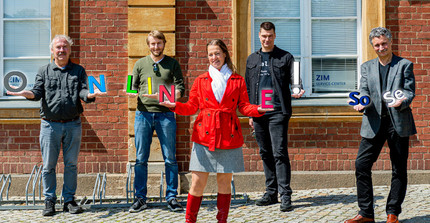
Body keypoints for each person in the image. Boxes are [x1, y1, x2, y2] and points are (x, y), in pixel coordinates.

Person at [160, 39, 271, 223]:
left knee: (224, 183)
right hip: (204, 137)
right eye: (210, 54)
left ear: (225, 54)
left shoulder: (237, 80)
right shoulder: (201, 80)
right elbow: (191, 107)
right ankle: (190, 220)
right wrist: (174, 106)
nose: (214, 58)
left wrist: (257, 110)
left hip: (229, 136)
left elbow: (243, 107)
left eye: (217, 53)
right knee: (197, 183)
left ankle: (222, 220)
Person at [7, 35, 104, 216]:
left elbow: (83, 90)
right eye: (58, 47)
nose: (61, 50)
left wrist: (90, 95)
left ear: (69, 50)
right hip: (49, 126)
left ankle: (69, 200)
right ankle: (49, 201)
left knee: (71, 165)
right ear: (52, 50)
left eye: (64, 47)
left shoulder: (78, 70)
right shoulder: (44, 71)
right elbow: (36, 92)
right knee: (48, 166)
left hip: (73, 124)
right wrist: (24, 93)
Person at [344, 27, 416, 223]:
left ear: (390, 42)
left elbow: (409, 91)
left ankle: (393, 212)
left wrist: (403, 101)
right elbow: (364, 89)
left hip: (398, 122)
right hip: (373, 121)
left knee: (399, 168)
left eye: (384, 43)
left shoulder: (404, 65)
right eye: (377, 45)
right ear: (372, 46)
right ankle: (366, 213)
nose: (381, 47)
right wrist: (362, 102)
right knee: (361, 165)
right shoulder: (367, 67)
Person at [245, 21, 305, 212]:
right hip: (259, 111)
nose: (267, 39)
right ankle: (271, 193)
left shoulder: (286, 57)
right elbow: (248, 87)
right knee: (265, 153)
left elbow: (295, 80)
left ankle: (285, 194)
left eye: (270, 36)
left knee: (279, 152)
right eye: (264, 36)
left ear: (275, 36)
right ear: (259, 36)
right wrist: (250, 113)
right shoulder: (251, 59)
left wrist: (297, 89)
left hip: (278, 111)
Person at [128, 30, 185, 213]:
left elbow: (180, 89)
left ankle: (171, 197)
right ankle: (140, 198)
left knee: (170, 158)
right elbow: (133, 85)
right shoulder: (140, 64)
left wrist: (170, 97)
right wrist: (130, 91)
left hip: (165, 115)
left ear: (164, 44)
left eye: (159, 43)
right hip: (143, 114)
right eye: (152, 44)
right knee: (140, 158)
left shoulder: (172, 64)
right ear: (148, 45)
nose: (156, 47)